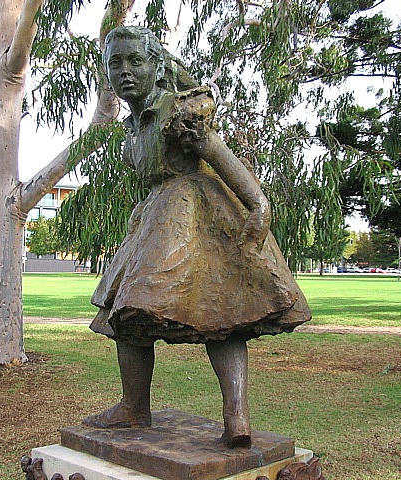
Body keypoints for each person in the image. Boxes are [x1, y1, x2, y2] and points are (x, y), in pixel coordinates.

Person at [83, 26, 311, 449]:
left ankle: (235, 415)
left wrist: (259, 205)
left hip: (195, 214)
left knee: (219, 318)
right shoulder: (133, 126)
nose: (125, 71)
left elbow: (220, 156)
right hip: (159, 217)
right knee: (129, 316)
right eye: (115, 62)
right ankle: (136, 406)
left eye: (136, 61)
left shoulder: (177, 112)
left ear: (158, 66)